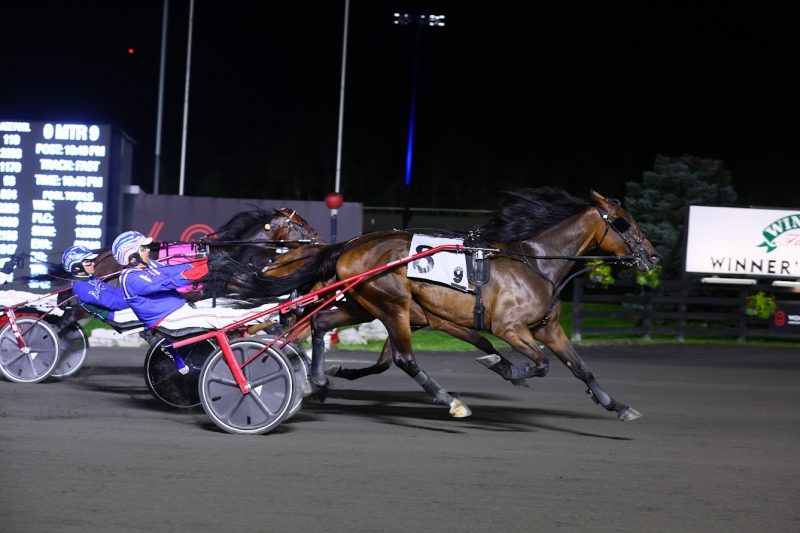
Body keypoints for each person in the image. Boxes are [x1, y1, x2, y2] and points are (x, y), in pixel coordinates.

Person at [112, 230, 277, 335]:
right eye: (143, 248)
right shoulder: (131, 278)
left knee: (224, 305)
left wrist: (207, 263)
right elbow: (169, 282)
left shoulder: (151, 265)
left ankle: (268, 311)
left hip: (181, 308)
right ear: (132, 257)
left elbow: (175, 270)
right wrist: (206, 268)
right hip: (168, 319)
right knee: (218, 317)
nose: (148, 250)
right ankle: (271, 313)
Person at [61, 245, 138, 324]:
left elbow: (114, 291)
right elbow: (114, 303)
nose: (93, 264)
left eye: (93, 260)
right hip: (117, 315)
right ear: (77, 267)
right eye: (88, 262)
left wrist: (134, 293)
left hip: (120, 309)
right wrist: (136, 299)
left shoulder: (91, 279)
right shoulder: (83, 288)